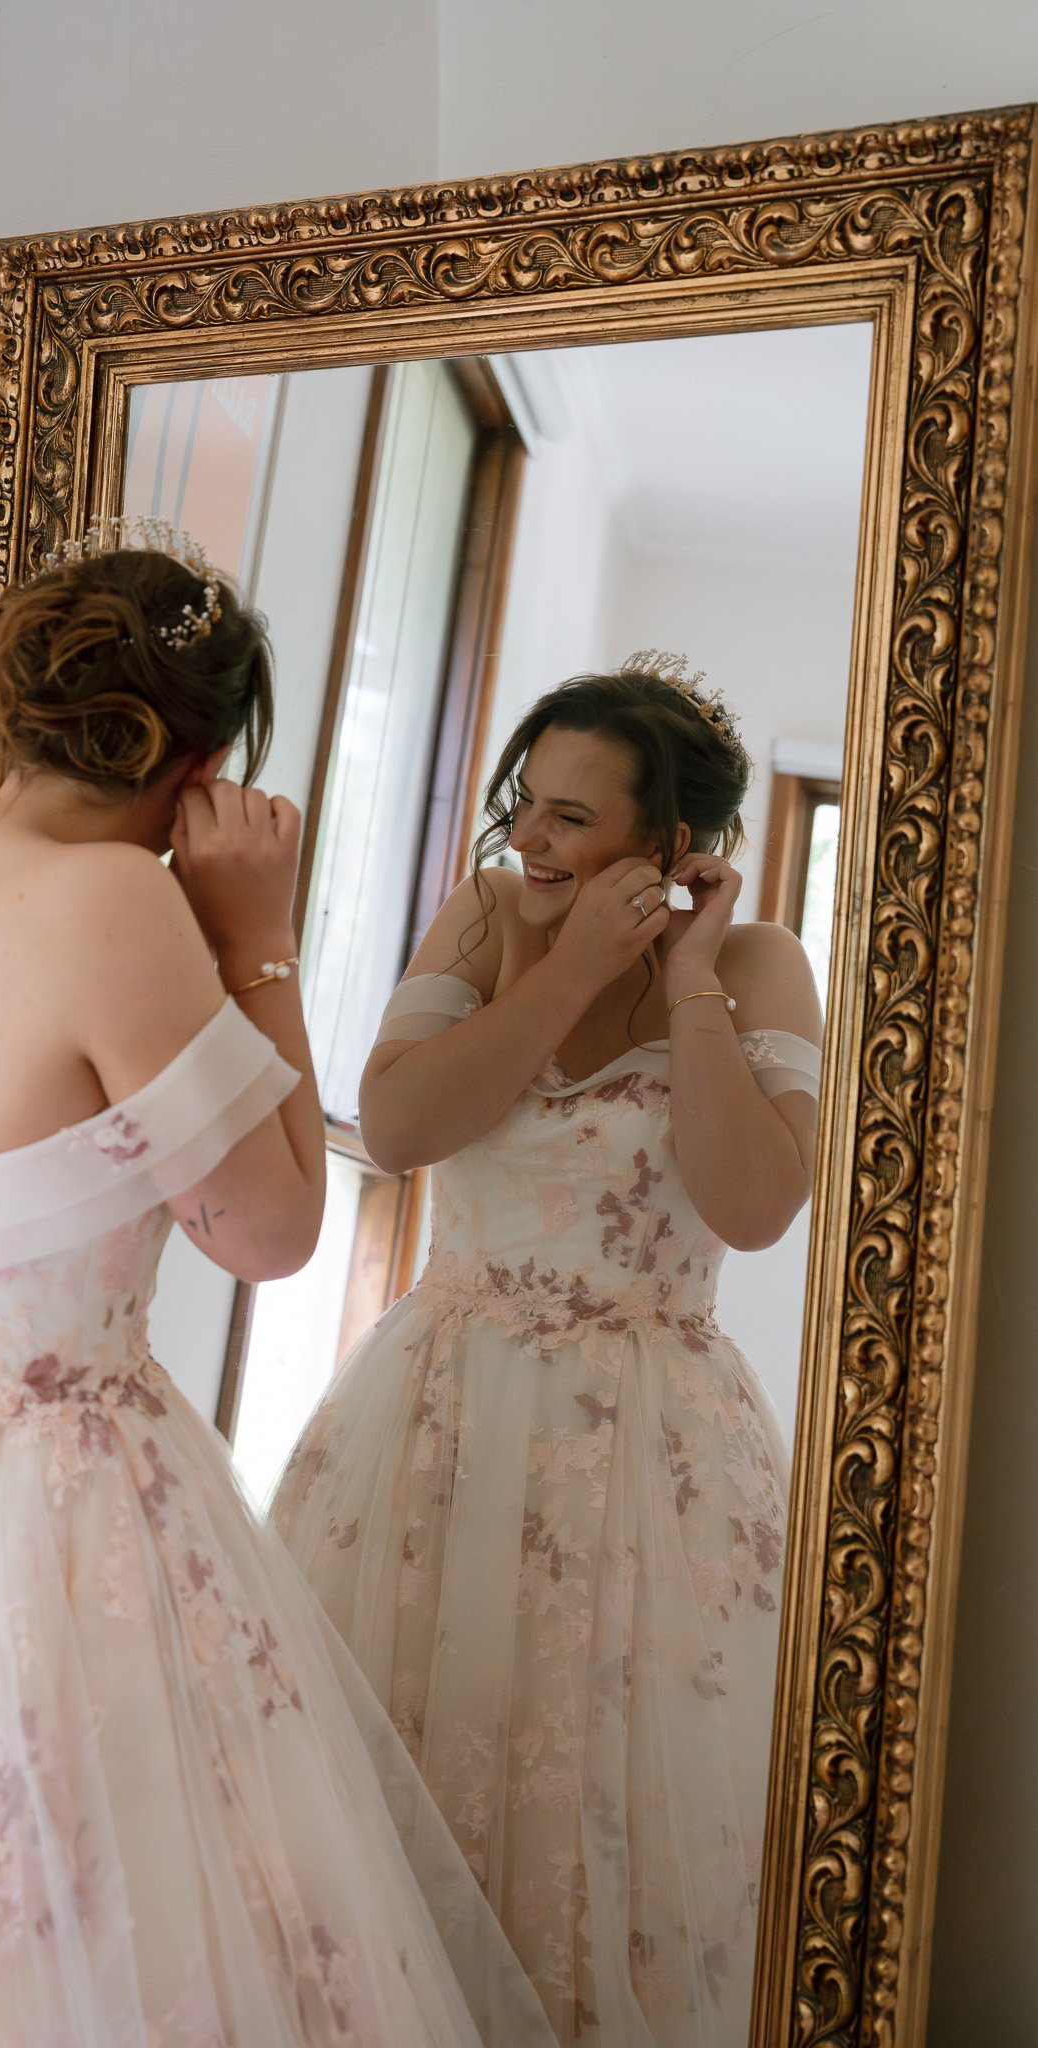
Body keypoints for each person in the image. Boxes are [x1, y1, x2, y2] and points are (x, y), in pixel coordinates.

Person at [0, 522, 555, 2047]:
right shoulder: (112, 906)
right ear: (197, 762)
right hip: (41, 1510)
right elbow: (271, 1231)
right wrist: (259, 940)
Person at [270, 660, 823, 2047]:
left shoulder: (758, 967)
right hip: (436, 1413)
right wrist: (564, 963)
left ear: (674, 844)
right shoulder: (482, 919)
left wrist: (684, 981)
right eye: (528, 802)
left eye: (574, 819)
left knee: (618, 1816)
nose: (532, 838)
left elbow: (751, 1206)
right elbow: (397, 1134)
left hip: (651, 1437)